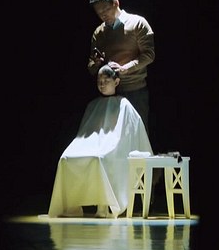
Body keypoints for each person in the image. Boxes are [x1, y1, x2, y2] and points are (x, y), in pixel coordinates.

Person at [47, 65, 153, 218]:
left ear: (116, 82)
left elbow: (129, 130)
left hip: (114, 148)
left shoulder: (124, 105)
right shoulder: (93, 105)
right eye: (99, 81)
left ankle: (103, 208)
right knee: (66, 159)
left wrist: (113, 144)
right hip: (92, 144)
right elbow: (85, 133)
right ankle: (71, 206)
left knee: (99, 159)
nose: (102, 84)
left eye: (106, 81)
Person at [87, 0, 155, 134]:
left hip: (135, 90)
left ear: (116, 3)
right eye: (99, 13)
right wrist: (96, 64)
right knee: (112, 138)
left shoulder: (137, 23)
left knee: (137, 135)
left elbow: (149, 54)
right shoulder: (99, 33)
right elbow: (91, 67)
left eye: (106, 10)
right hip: (109, 94)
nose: (103, 15)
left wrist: (126, 68)